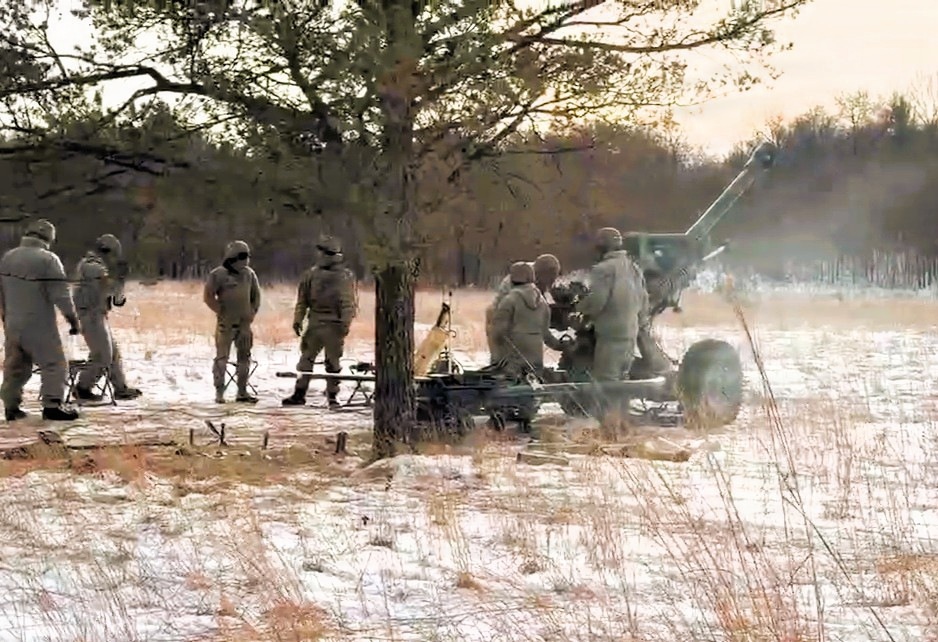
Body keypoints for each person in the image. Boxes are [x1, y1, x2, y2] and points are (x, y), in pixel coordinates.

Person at [0, 218, 81, 421]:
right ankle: (52, 405)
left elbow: (2, 292)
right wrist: (73, 320)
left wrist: (5, 317)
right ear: (48, 238)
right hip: (38, 323)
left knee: (15, 367)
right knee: (54, 363)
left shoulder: (8, 257)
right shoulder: (48, 259)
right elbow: (60, 294)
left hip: (12, 322)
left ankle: (11, 406)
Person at [575, 227, 648, 433]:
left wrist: (580, 308)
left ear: (602, 247)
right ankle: (621, 421)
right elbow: (644, 301)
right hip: (630, 332)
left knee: (605, 381)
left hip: (610, 334)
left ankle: (606, 428)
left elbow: (597, 301)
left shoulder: (603, 269)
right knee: (622, 380)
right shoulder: (634, 268)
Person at [282, 235, 358, 409]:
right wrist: (297, 319)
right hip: (315, 324)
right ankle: (299, 393)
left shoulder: (345, 276)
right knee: (305, 361)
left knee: (333, 364)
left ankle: (332, 396)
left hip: (334, 325)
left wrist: (345, 324)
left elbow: (348, 303)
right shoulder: (311, 275)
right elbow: (303, 300)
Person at [73, 233, 142, 402]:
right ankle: (83, 387)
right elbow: (109, 289)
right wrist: (119, 280)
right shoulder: (92, 266)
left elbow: (115, 297)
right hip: (90, 316)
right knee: (103, 355)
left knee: (113, 353)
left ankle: (120, 388)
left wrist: (118, 283)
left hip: (97, 314)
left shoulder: (92, 265)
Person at [203, 240, 262, 404]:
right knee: (222, 359)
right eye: (242, 257)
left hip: (244, 325)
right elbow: (208, 296)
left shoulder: (249, 274)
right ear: (232, 257)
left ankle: (242, 392)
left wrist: (252, 313)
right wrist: (220, 311)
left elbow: (256, 297)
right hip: (226, 325)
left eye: (247, 257)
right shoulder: (218, 275)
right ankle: (219, 392)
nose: (246, 261)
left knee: (244, 359)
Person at [489, 261, 566, 376]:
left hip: (514, 359)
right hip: (536, 357)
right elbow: (546, 335)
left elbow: (499, 332)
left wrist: (497, 357)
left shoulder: (509, 300)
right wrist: (561, 346)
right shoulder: (543, 303)